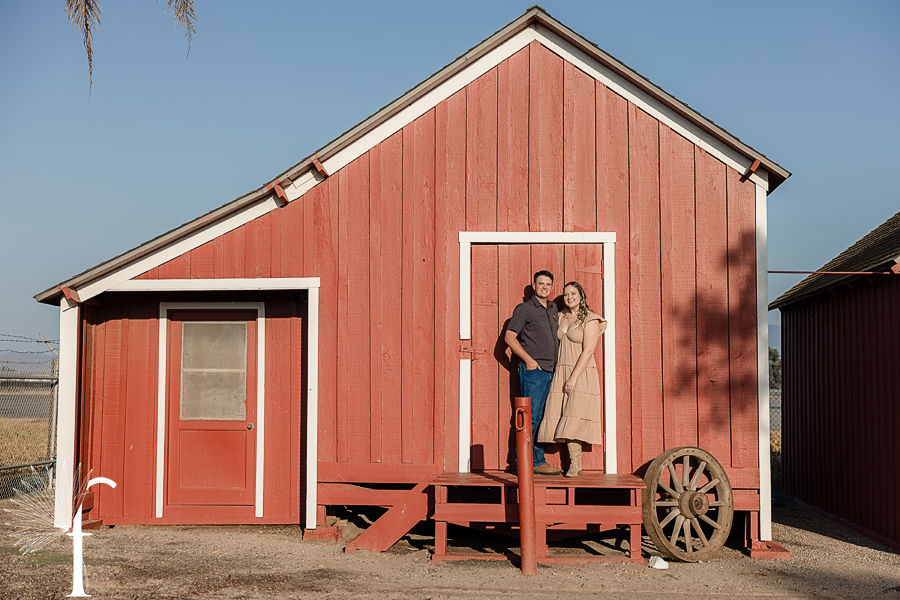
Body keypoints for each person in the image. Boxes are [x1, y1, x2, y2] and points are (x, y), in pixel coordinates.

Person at [536, 281, 607, 478]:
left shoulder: (590, 319)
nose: (569, 297)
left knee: (573, 416)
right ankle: (561, 462)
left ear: (581, 295)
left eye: (573, 293)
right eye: (566, 294)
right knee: (561, 415)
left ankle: (575, 464)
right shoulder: (560, 317)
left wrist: (573, 378)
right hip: (561, 370)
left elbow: (589, 350)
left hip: (581, 373)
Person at [505, 270, 563, 475]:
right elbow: (509, 338)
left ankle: (536, 459)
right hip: (534, 373)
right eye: (541, 284)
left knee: (544, 416)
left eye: (548, 284)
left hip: (552, 372)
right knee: (530, 417)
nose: (545, 287)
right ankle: (527, 462)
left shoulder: (554, 308)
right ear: (534, 285)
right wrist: (528, 361)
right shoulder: (524, 309)